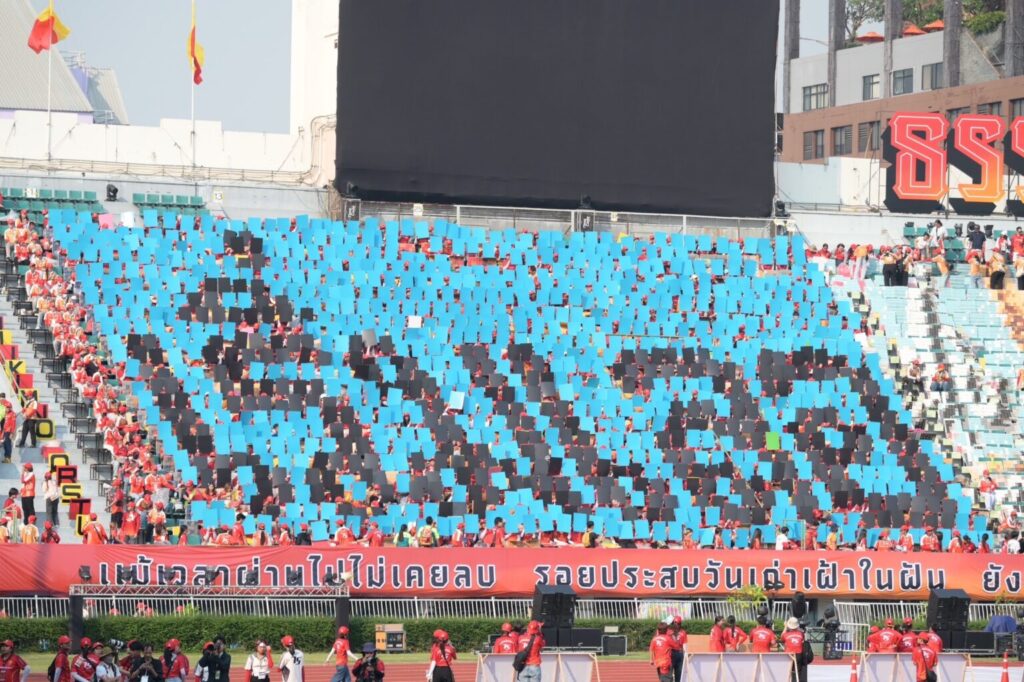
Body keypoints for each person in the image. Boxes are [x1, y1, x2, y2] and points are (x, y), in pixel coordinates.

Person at [781, 618, 808, 682]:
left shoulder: (786, 635)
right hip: (799, 655)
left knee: (788, 670)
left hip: (788, 655)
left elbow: (782, 637)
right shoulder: (801, 634)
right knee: (798, 670)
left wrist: (785, 627)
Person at [669, 617, 686, 682]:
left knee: (679, 673)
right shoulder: (669, 632)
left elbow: (684, 644)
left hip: (679, 653)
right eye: (675, 623)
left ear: (680, 624)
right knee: (669, 673)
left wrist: (685, 654)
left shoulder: (683, 632)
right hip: (671, 653)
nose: (676, 625)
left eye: (678, 623)